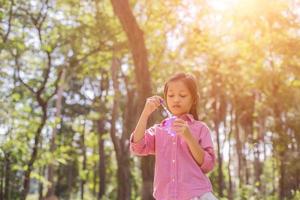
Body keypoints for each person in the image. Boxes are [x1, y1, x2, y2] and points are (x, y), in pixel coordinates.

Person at [130, 72, 218, 200]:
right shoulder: (158, 130)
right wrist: (145, 113)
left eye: (182, 95)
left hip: (197, 195)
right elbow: (137, 147)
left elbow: (207, 165)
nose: (176, 99)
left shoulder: (200, 128)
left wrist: (188, 136)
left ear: (193, 99)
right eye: (171, 95)